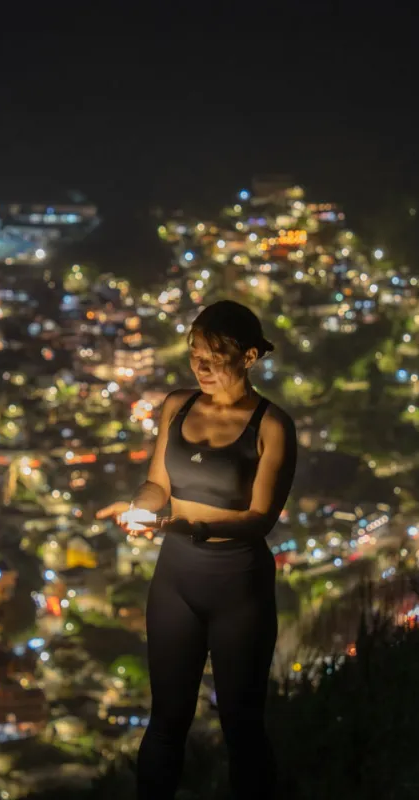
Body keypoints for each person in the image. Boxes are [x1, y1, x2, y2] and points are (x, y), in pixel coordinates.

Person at [97, 299, 298, 800]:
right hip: (175, 582)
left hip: (239, 586)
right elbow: (156, 484)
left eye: (215, 354)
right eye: (194, 353)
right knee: (166, 719)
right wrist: (140, 508)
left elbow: (260, 519)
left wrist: (180, 525)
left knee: (242, 726)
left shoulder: (272, 426)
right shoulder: (176, 406)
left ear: (249, 356)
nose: (201, 366)